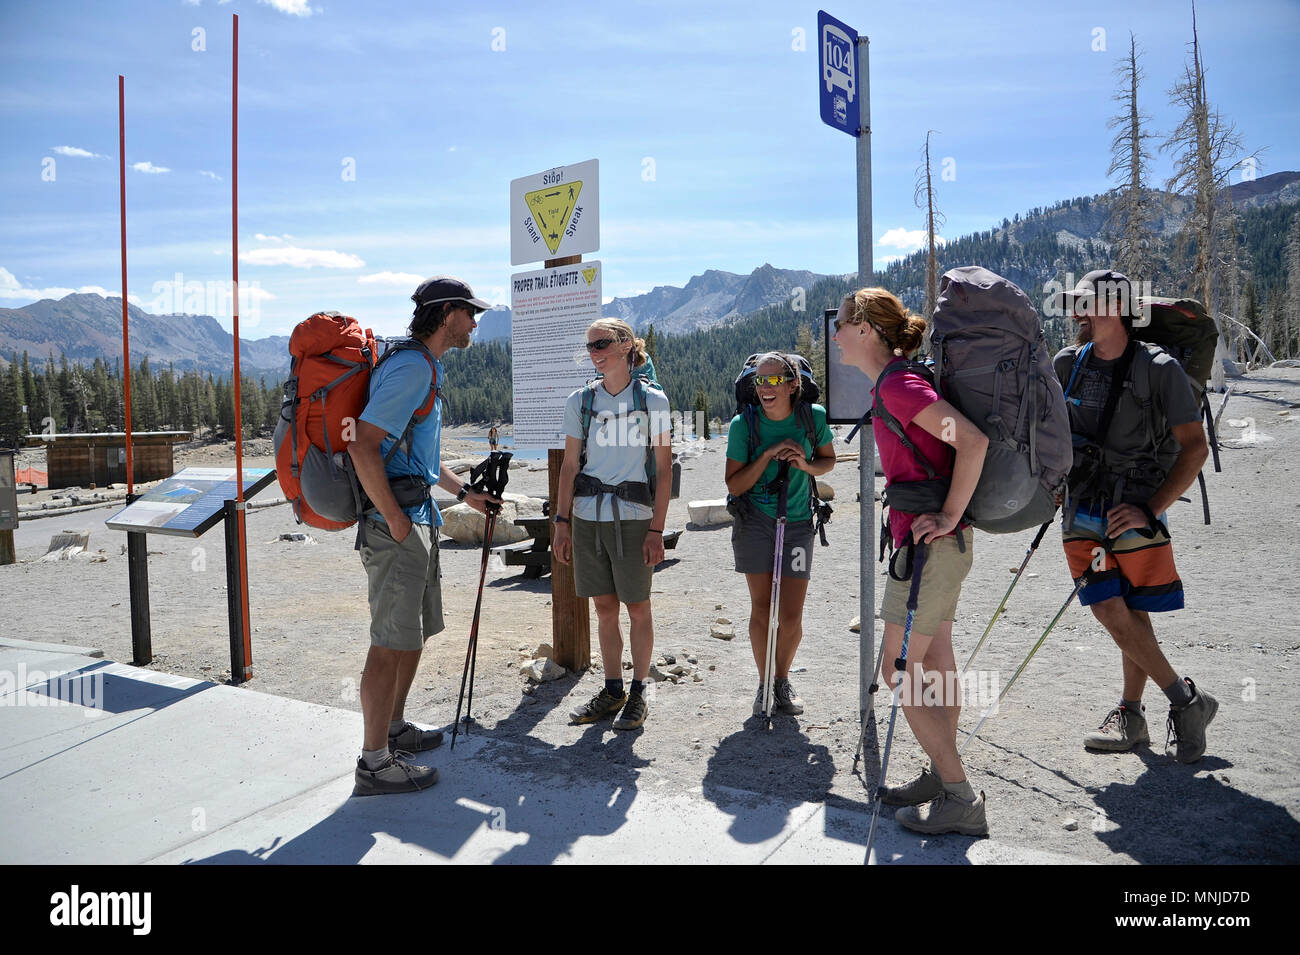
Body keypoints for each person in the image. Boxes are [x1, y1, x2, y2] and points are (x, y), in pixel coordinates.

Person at [831, 287, 990, 836]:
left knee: (895, 669)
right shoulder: (897, 382)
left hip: (930, 547)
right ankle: (940, 774)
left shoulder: (899, 385)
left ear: (868, 330)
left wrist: (948, 514)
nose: (836, 335)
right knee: (937, 660)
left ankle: (960, 796)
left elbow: (971, 441)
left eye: (843, 324)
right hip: (935, 547)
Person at [1052, 270, 1217, 762]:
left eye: (1089, 303)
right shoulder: (1067, 364)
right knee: (1107, 607)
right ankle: (1185, 700)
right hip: (1081, 506)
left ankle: (1132, 712)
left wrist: (1151, 507)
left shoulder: (1159, 368)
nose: (1080, 311)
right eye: (1078, 302)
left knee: (1132, 609)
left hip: (1136, 505)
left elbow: (1195, 447)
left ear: (1119, 309)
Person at [347, 276, 501, 796]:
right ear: (445, 314)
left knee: (411, 634)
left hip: (418, 516)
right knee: (388, 642)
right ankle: (373, 764)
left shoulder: (424, 365)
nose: (476, 323)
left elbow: (421, 459)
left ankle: (392, 731)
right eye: (470, 313)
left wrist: (465, 494)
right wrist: (392, 518)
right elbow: (364, 445)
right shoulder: (412, 367)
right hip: (397, 524)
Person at [554, 318, 672, 731]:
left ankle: (639, 691)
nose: (594, 353)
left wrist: (657, 530)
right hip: (588, 518)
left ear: (625, 345)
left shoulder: (653, 402)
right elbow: (570, 466)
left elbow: (663, 468)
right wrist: (562, 522)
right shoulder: (580, 401)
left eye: (601, 344)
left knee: (637, 607)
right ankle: (613, 687)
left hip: (635, 519)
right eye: (589, 347)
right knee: (604, 607)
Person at [724, 353, 835, 720]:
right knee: (761, 608)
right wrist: (769, 454)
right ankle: (764, 683)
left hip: (799, 522)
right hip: (754, 522)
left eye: (774, 381)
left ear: (792, 385)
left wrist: (803, 464)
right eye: (759, 381)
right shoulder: (744, 425)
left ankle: (782, 680)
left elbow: (828, 460)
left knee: (790, 615)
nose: (765, 388)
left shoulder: (812, 418)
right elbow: (735, 483)